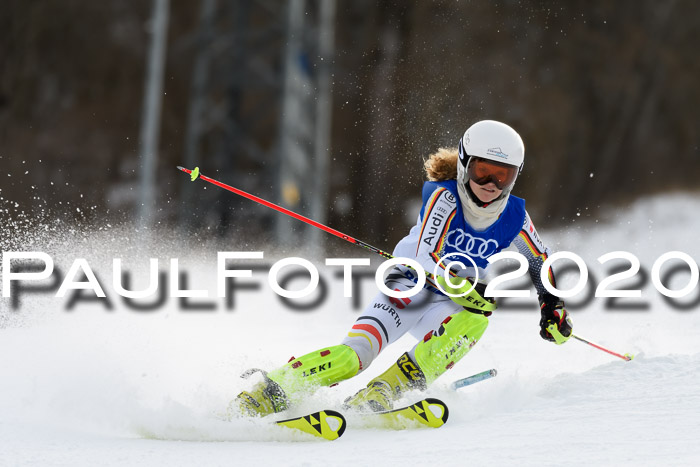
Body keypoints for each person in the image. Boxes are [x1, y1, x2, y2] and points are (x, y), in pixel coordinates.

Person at [233, 120, 573, 416]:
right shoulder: (445, 198)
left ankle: (385, 390)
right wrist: (466, 288)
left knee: (475, 320)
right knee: (354, 358)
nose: (492, 185)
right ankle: (268, 392)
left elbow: (539, 259)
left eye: (504, 176)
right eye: (484, 171)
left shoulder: (514, 215)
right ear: (466, 164)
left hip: (443, 304)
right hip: (406, 290)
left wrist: (551, 306)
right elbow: (427, 257)